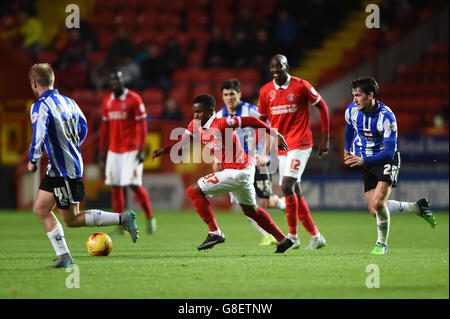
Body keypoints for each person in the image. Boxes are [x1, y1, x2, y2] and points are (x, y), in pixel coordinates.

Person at [27, 63, 139, 268]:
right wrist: (71, 145)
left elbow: (39, 135)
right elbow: (84, 126)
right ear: (52, 80)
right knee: (42, 209)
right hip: (61, 166)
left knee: (71, 219)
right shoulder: (69, 102)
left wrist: (32, 160)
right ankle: (64, 257)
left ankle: (122, 218)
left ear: (34, 84)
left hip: (64, 169)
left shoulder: (40, 106)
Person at [151, 94, 294, 253]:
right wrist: (163, 150)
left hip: (238, 171)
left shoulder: (222, 123)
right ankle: (282, 240)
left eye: (199, 112)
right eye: (194, 111)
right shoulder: (195, 124)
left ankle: (215, 232)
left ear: (211, 111)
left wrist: (275, 134)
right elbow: (181, 142)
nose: (196, 115)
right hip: (241, 170)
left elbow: (251, 121)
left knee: (193, 191)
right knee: (251, 211)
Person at [343, 76, 436, 255]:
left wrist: (363, 160)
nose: (354, 99)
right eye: (353, 95)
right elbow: (349, 126)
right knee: (374, 210)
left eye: (358, 95)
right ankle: (418, 207)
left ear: (370, 95)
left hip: (386, 160)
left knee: (379, 203)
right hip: (368, 161)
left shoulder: (387, 117)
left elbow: (389, 152)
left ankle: (381, 244)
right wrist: (347, 148)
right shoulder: (352, 110)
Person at [258, 54, 329, 250]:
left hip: (302, 142)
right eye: (272, 68)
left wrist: (326, 138)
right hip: (283, 147)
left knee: (286, 186)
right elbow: (263, 123)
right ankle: (316, 236)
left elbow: (322, 107)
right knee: (294, 191)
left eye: (279, 67)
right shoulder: (265, 91)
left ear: (286, 66)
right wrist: (264, 152)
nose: (275, 71)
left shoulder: (301, 85)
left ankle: (293, 236)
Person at [215, 78, 286, 246]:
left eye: (232, 94)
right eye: (225, 94)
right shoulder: (218, 116)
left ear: (239, 94)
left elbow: (270, 131)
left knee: (265, 202)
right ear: (222, 96)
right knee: (246, 204)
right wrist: (217, 159)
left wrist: (263, 154)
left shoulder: (251, 111)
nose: (229, 98)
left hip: (256, 163)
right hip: (235, 166)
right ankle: (267, 234)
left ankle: (284, 205)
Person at [99, 70, 156, 235]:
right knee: (115, 187)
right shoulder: (107, 101)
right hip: (114, 150)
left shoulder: (134, 99)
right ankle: (121, 224)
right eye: (112, 80)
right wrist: (102, 150)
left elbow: (142, 125)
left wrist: (141, 148)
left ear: (123, 80)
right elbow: (105, 128)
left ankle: (150, 217)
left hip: (131, 149)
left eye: (117, 79)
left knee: (134, 185)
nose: (115, 83)